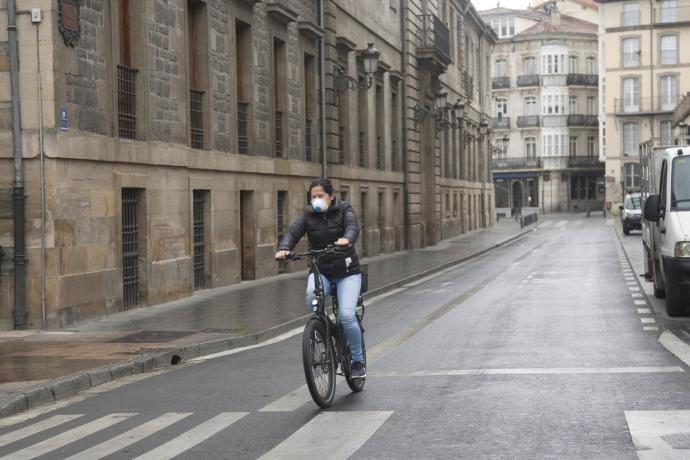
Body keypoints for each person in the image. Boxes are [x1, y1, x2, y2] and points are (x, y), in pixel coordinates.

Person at [274, 178, 366, 379]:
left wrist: (346, 239)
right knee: (311, 298)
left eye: (320, 196)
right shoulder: (308, 214)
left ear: (331, 196)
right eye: (313, 197)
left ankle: (357, 361)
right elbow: (293, 232)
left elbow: (352, 227)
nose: (316, 200)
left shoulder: (344, 209)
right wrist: (284, 249)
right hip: (321, 270)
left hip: (347, 272)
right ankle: (327, 328)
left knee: (348, 316)